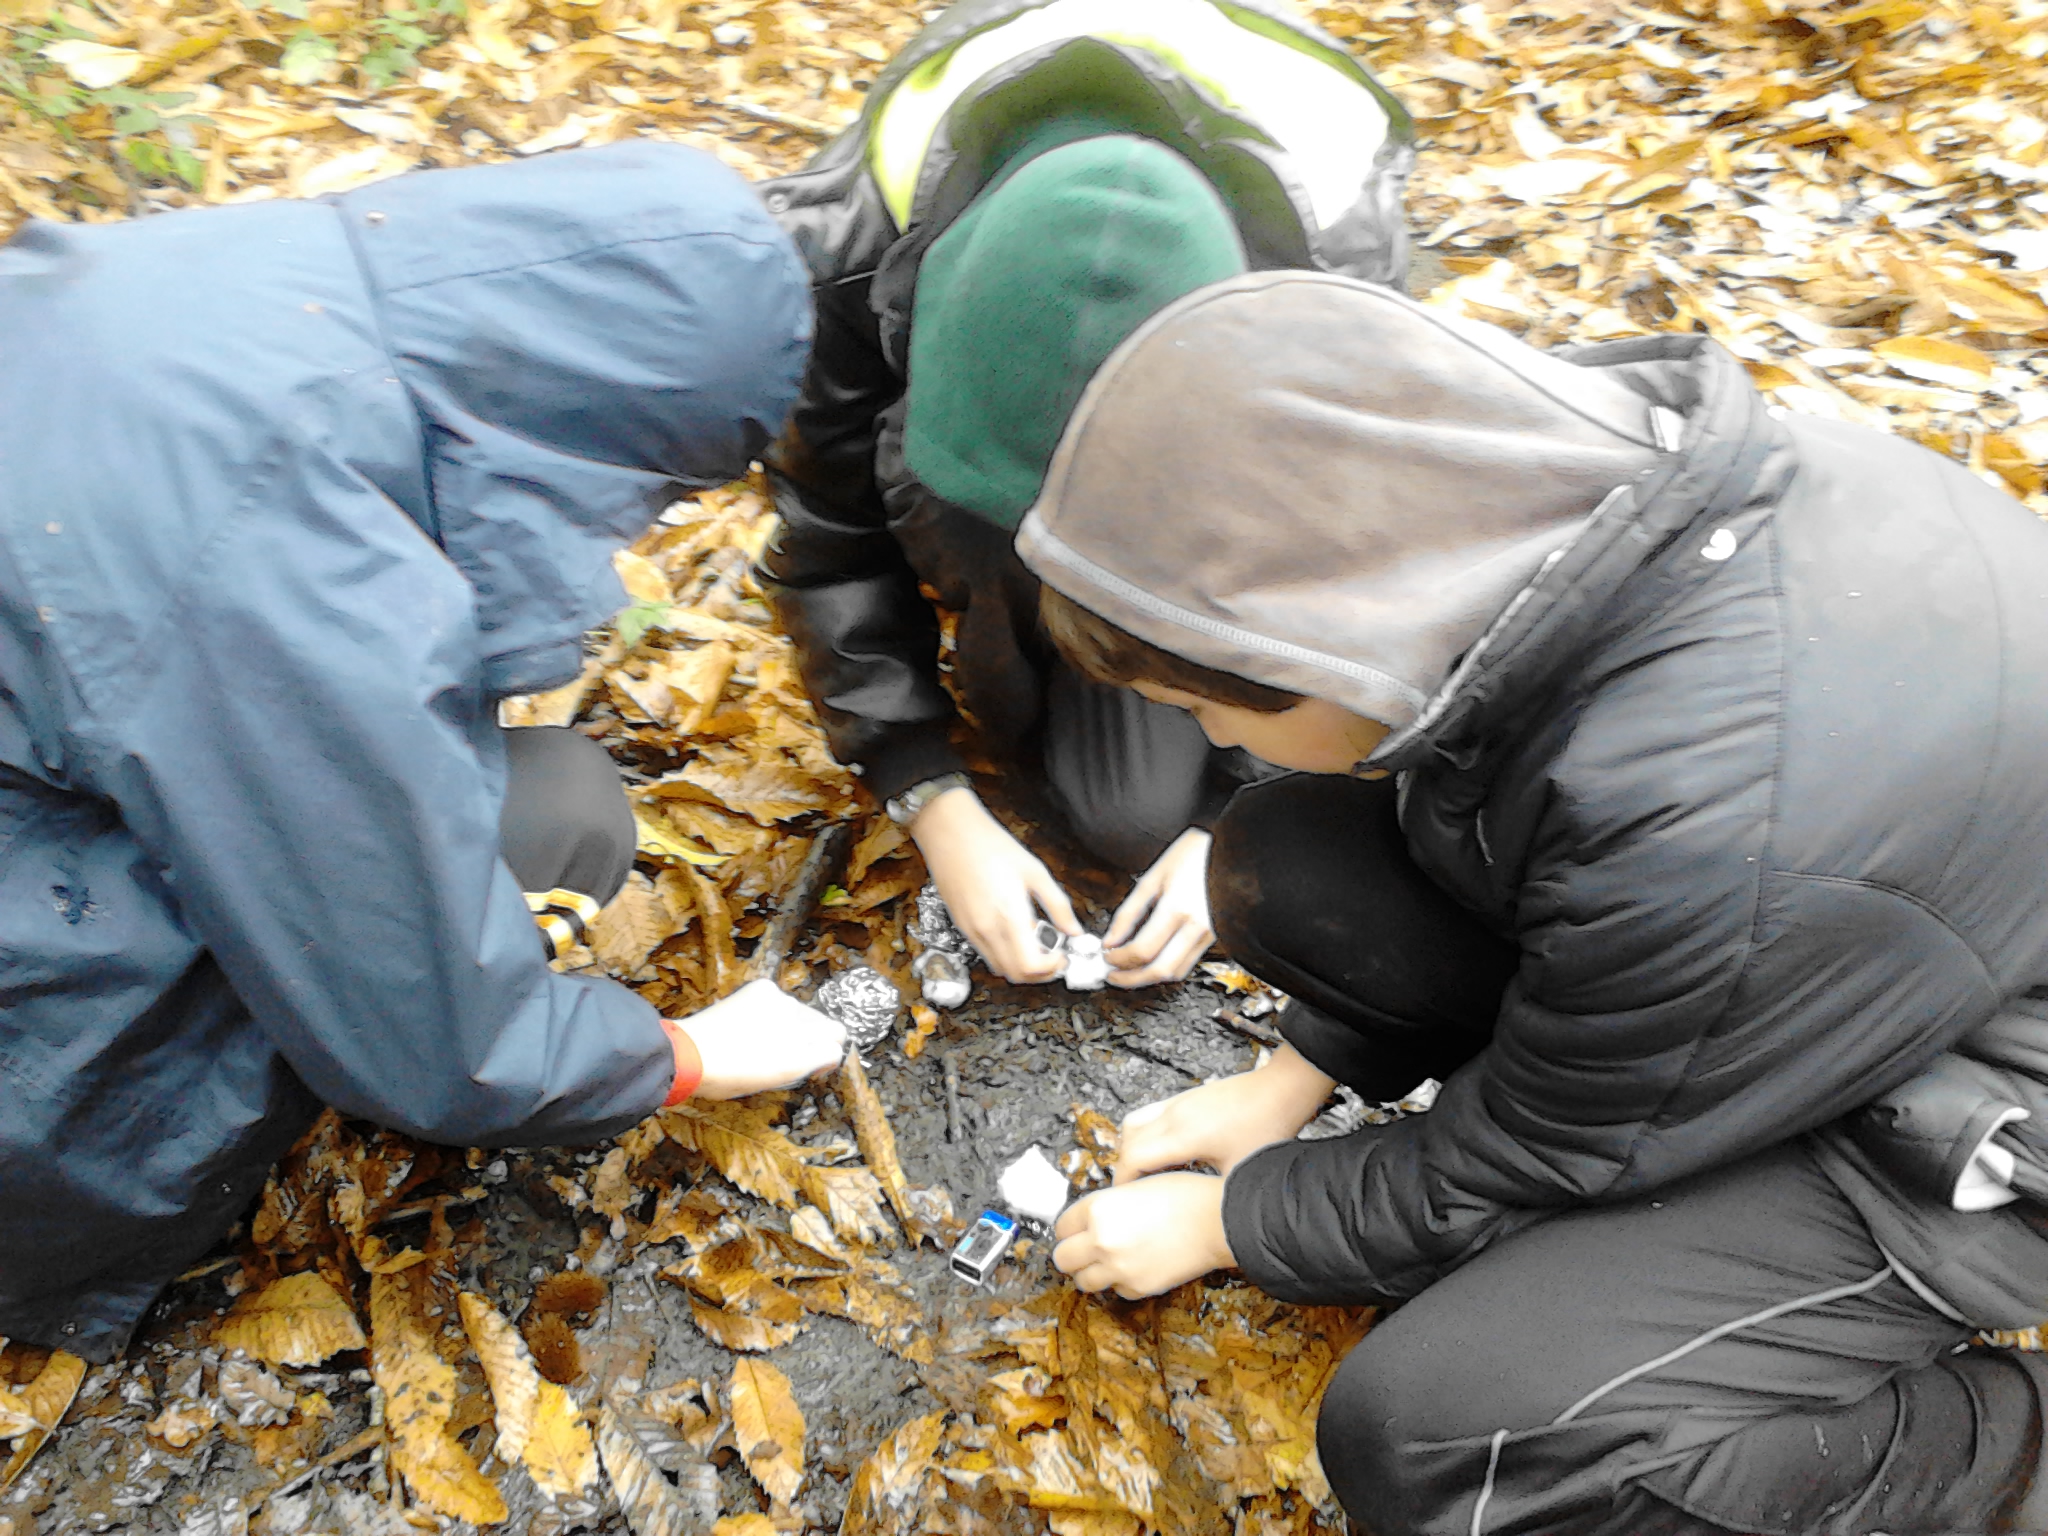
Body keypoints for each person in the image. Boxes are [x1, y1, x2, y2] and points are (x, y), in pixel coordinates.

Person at [1019, 271, 2048, 1532]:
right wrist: (1286, 1084)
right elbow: (1494, 845)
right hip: (1831, 954)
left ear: (1326, 641)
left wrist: (1236, 1218)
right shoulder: (1528, 522)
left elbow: (1533, 1156)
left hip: (1961, 1116)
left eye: (1200, 703)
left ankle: (2002, 1460)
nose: (1202, 735)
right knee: (1281, 859)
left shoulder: (1693, 821)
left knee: (1441, 1438)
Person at [0, 142, 848, 1363]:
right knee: (555, 824)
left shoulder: (253, 285)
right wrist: (690, 1057)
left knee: (539, 800)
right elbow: (434, 1031)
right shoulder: (290, 557)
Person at [756, 0, 1415, 987]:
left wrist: (1232, 821)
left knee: (1131, 817)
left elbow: (1353, 562)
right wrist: (927, 796)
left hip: (1242, 387)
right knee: (1047, 692)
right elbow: (826, 533)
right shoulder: (846, 253)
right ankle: (1003, 571)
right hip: (950, 402)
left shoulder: (1337, 285)